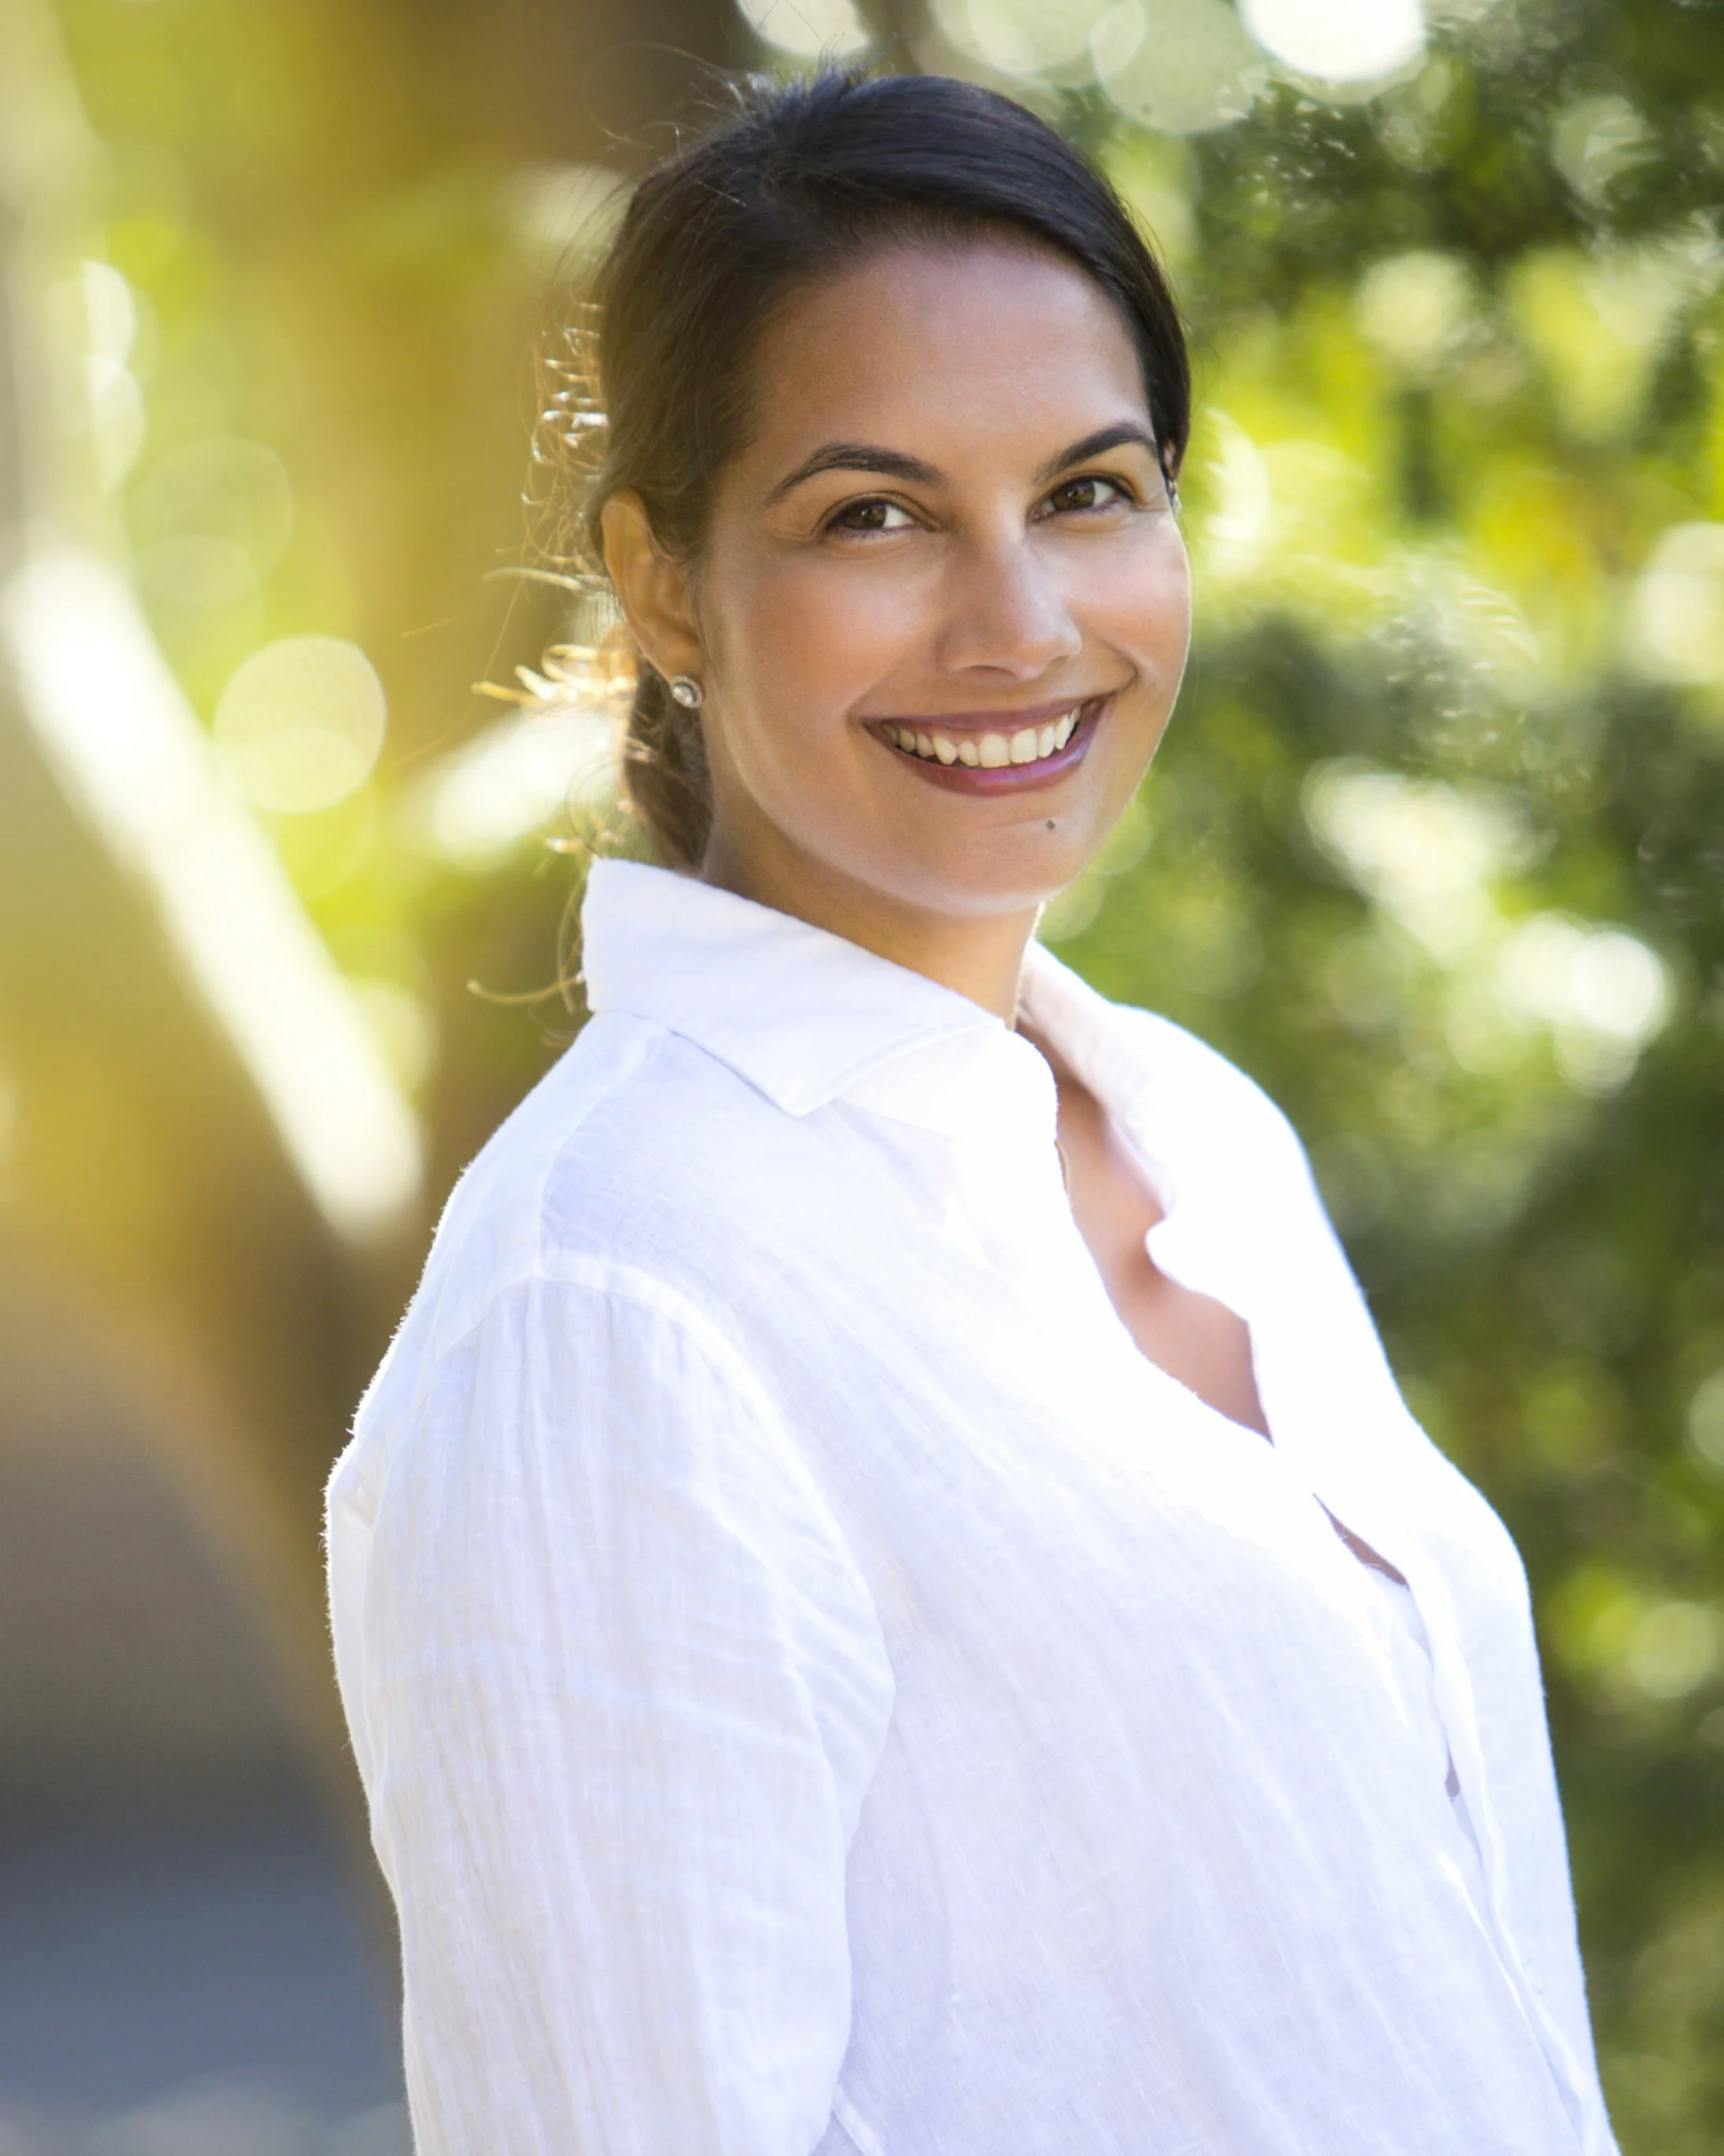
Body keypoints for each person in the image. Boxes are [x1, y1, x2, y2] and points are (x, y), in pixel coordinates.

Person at [324, 69, 1618, 2156]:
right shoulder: (616, 1308)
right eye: (876, 515)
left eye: (1090, 492)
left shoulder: (1195, 1133)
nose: (1017, 625)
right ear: (660, 589)